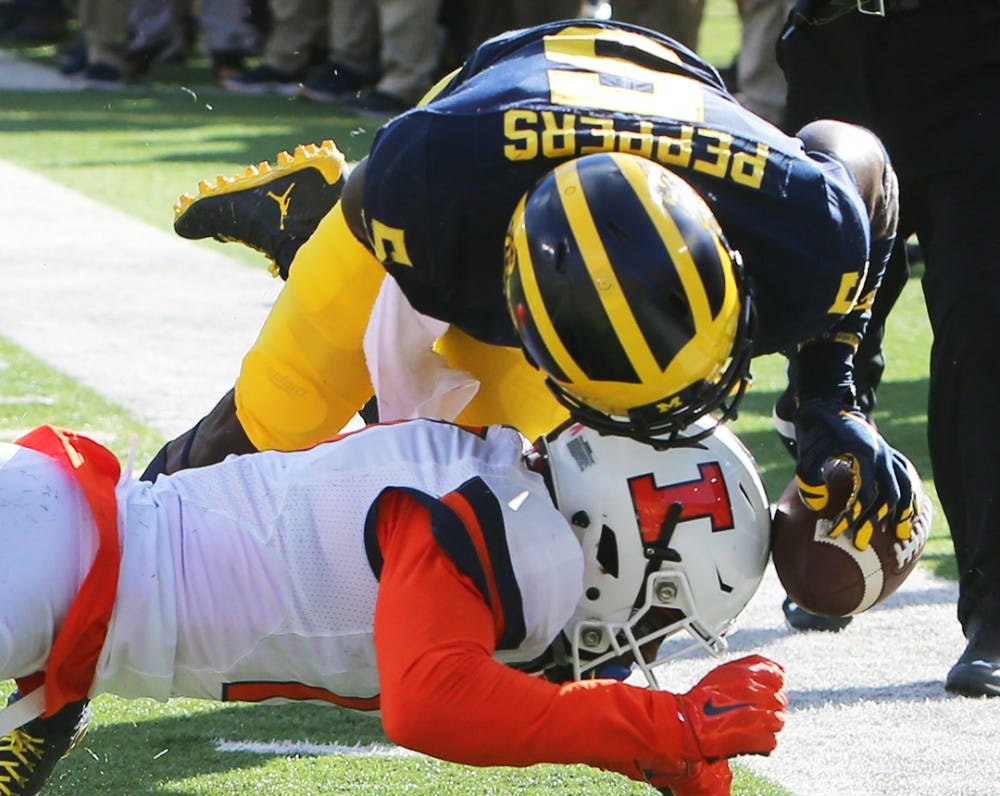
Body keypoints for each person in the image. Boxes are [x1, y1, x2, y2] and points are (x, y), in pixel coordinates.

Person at [153, 19, 919, 560]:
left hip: (642, 111)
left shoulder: (796, 216)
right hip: (463, 164)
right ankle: (306, 225)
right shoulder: (426, 187)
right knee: (271, 437)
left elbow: (865, 161)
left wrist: (831, 395)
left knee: (505, 520)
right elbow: (402, 197)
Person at [0, 418, 785, 795]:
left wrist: (646, 753)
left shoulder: (501, 483)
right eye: (660, 612)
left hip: (56, 541)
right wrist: (663, 724)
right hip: (52, 573)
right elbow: (431, 702)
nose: (645, 637)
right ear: (626, 542)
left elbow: (475, 675)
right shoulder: (518, 530)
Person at [774, 0, 1000, 695]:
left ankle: (995, 608)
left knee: (983, 323)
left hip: (977, 55)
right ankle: (841, 529)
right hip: (835, 39)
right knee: (826, 317)